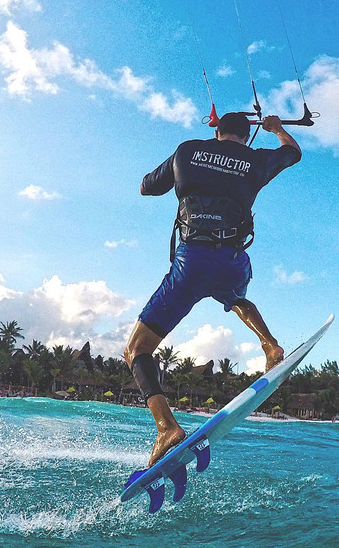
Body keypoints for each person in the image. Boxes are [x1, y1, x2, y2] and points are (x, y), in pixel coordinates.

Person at [123, 112, 302, 466]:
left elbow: (146, 186)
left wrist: (195, 156)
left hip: (193, 261)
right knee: (236, 299)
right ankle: (270, 345)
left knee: (136, 349)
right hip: (233, 260)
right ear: (246, 132)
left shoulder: (187, 151)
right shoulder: (257, 160)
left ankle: (166, 428)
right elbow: (293, 153)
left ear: (217, 130)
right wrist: (276, 128)